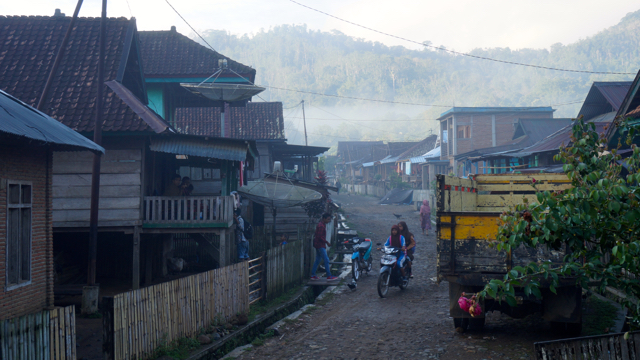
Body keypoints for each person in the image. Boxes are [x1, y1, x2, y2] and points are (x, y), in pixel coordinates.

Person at [311, 213, 338, 281]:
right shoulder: (321, 226)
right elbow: (320, 237)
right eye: (328, 219)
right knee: (326, 260)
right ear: (324, 218)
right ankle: (329, 276)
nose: (329, 220)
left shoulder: (322, 225)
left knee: (318, 260)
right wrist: (327, 242)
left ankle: (313, 275)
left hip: (318, 245)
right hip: (320, 245)